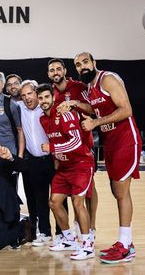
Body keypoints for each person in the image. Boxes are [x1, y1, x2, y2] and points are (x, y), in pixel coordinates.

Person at [73, 52, 140, 264]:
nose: (82, 67)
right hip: (110, 143)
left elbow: (126, 109)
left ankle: (126, 245)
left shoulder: (107, 78)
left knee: (121, 191)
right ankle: (125, 241)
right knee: (116, 190)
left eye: (85, 62)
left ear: (94, 63)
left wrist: (95, 123)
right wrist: (75, 103)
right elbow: (94, 109)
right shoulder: (90, 88)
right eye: (77, 65)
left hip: (125, 140)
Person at [37, 83, 95, 261]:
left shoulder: (64, 113)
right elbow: (58, 140)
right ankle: (69, 239)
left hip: (81, 164)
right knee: (54, 202)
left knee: (78, 203)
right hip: (63, 167)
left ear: (53, 98)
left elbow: (76, 141)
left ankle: (87, 245)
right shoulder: (42, 119)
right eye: (41, 98)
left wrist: (52, 148)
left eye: (47, 97)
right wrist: (56, 158)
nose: (44, 101)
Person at [48, 58, 98, 245]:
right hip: (63, 151)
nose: (55, 72)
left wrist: (75, 103)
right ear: (48, 74)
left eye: (58, 69)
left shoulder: (78, 87)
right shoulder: (50, 93)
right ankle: (72, 232)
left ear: (64, 70)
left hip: (83, 147)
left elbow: (93, 109)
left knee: (89, 190)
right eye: (52, 70)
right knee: (68, 193)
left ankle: (91, 228)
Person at [18, 80, 54, 246]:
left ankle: (64, 233)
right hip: (33, 160)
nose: (27, 98)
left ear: (36, 94)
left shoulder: (47, 108)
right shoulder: (19, 108)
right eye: (23, 95)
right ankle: (44, 233)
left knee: (57, 198)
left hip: (53, 159)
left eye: (30, 94)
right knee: (39, 199)